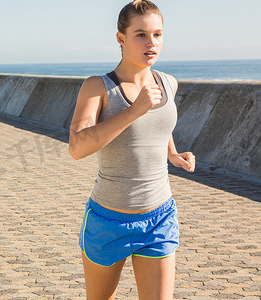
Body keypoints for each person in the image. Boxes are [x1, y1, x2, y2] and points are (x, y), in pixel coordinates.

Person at [69, 1, 195, 299]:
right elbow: (77, 147)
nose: (151, 43)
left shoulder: (168, 83)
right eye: (140, 34)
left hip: (159, 216)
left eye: (157, 34)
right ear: (120, 38)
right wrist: (133, 111)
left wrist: (173, 155)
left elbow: (160, 125)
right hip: (109, 220)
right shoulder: (98, 87)